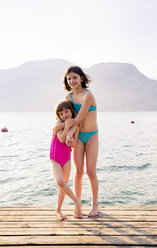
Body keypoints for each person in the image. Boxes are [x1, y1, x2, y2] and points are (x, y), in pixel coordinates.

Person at [53, 66, 99, 217]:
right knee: (78, 172)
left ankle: (95, 206)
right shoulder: (68, 98)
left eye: (75, 77)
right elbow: (66, 118)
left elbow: (78, 119)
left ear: (81, 78)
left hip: (91, 135)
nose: (72, 81)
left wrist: (60, 127)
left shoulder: (88, 94)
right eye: (69, 78)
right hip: (77, 136)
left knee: (91, 171)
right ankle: (77, 206)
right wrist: (65, 131)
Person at [50, 100, 82, 220]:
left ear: (71, 111)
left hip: (66, 159)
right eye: (61, 114)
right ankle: (77, 201)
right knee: (60, 182)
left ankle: (58, 210)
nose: (64, 115)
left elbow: (74, 145)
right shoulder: (59, 123)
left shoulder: (76, 127)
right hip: (54, 158)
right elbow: (61, 139)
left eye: (66, 112)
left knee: (63, 186)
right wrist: (67, 125)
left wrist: (72, 141)